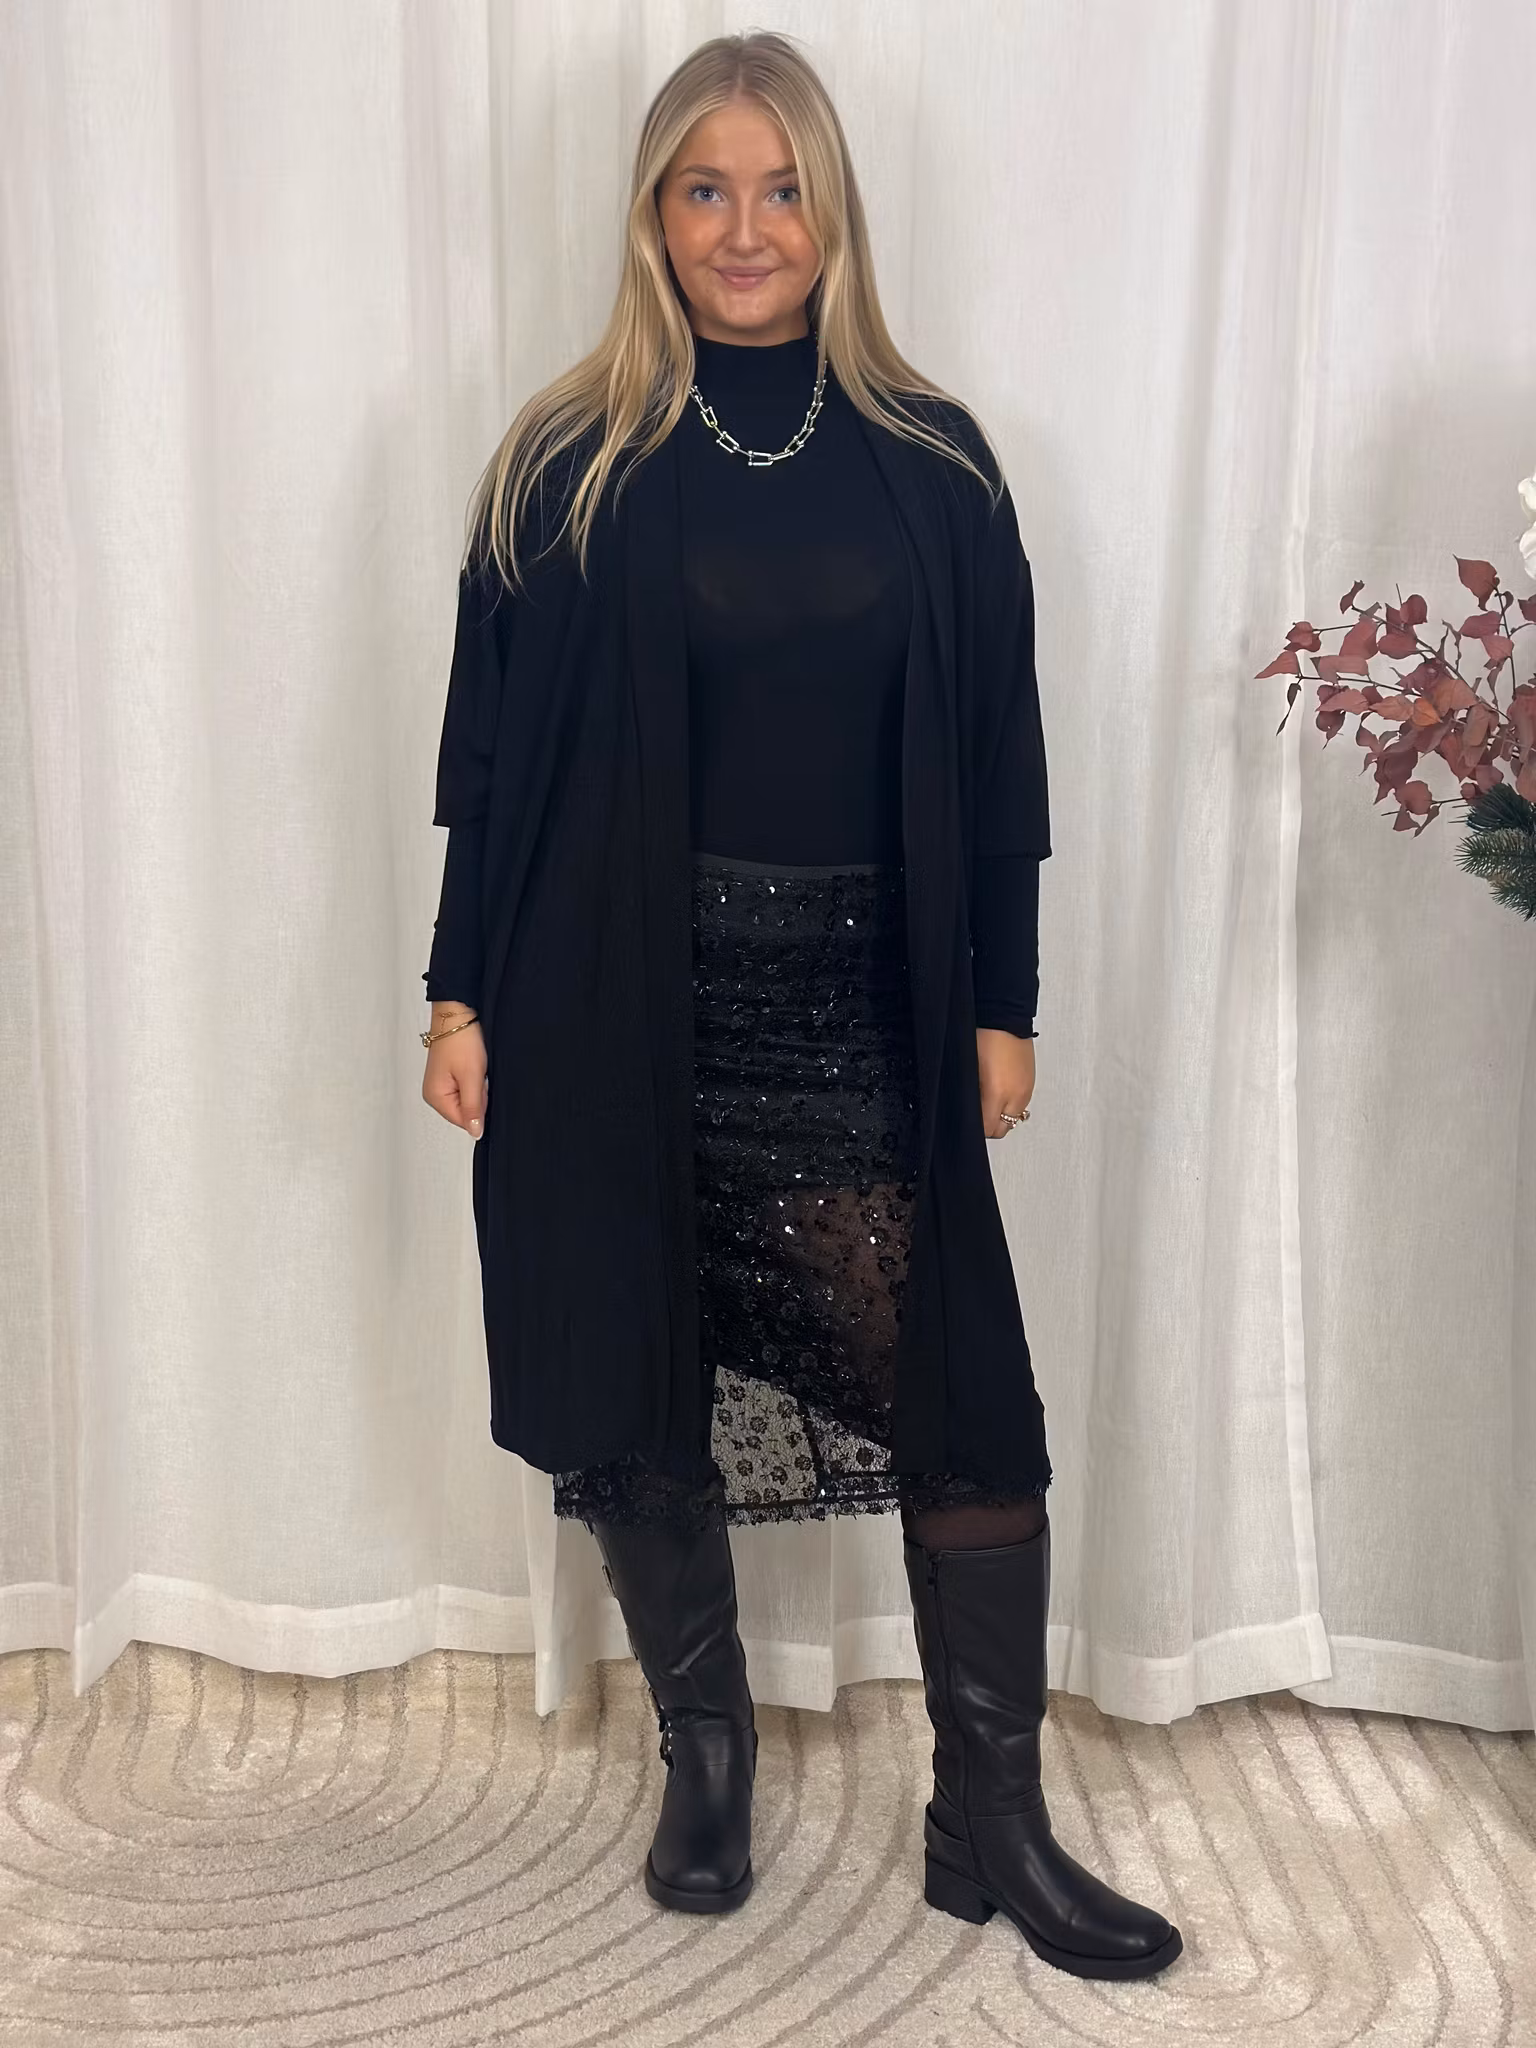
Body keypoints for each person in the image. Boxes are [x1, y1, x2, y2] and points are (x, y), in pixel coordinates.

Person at [420, 29, 1182, 1981]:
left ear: (832, 213)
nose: (744, 229)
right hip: (612, 993)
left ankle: (988, 1813)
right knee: (641, 1378)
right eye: (706, 189)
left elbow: (1000, 761)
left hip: (860, 1006)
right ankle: (708, 1748)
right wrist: (454, 991)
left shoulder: (935, 461)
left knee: (966, 1406)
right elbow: (488, 771)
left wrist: (1004, 1001)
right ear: (654, 215)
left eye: (780, 190)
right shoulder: (562, 462)